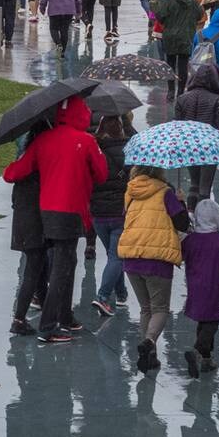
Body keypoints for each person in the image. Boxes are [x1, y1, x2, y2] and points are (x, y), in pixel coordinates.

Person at [2, 95, 108, 343]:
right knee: (63, 267)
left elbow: (16, 172)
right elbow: (102, 174)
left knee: (63, 264)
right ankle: (49, 326)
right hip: (72, 209)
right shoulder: (86, 140)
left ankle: (64, 317)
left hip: (46, 210)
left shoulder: (43, 140)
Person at [118, 165, 191, 372]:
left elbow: (127, 218)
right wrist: (181, 202)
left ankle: (150, 356)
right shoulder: (166, 192)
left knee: (145, 308)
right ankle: (149, 341)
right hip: (157, 257)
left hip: (131, 256)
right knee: (160, 309)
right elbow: (183, 224)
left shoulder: (130, 191)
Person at [180, 199, 219, 378]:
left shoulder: (190, 240)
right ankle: (197, 351)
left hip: (194, 286)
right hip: (212, 285)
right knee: (212, 321)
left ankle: (207, 359)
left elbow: (181, 256)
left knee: (203, 321)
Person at [174, 62, 219, 208]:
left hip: (188, 146)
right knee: (204, 188)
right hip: (208, 148)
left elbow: (177, 125)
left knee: (194, 184)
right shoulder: (216, 100)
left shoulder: (182, 99)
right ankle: (202, 221)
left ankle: (191, 214)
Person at [89, 115, 129, 318]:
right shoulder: (129, 150)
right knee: (117, 256)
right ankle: (103, 297)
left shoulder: (95, 150)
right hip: (120, 213)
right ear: (121, 129)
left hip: (98, 214)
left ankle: (121, 293)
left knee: (114, 256)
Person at [8, 126, 47, 336]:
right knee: (33, 269)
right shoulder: (38, 165)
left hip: (24, 221)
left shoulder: (22, 163)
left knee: (38, 266)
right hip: (36, 221)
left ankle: (42, 301)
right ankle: (19, 317)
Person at [149, 0, 203, 97]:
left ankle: (171, 90)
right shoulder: (192, 1)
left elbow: (161, 17)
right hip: (186, 35)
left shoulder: (168, 1)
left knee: (171, 63)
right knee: (183, 64)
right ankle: (181, 91)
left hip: (170, 36)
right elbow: (199, 15)